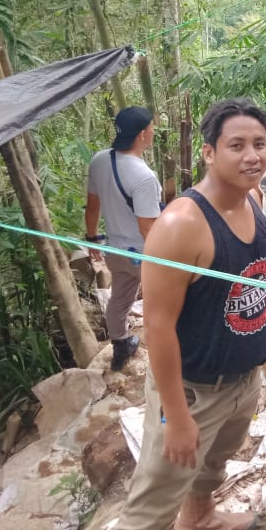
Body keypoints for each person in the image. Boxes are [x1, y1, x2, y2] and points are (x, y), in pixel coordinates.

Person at [108, 98, 266, 530]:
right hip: (193, 390)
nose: (252, 155)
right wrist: (175, 416)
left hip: (242, 378)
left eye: (259, 144)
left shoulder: (253, 201)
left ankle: (198, 521)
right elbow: (157, 326)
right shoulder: (180, 225)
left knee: (213, 463)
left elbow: (261, 277)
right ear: (209, 152)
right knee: (153, 501)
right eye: (237, 145)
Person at [85, 106, 162, 371]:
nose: (154, 132)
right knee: (162, 301)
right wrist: (166, 262)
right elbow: (148, 229)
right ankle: (167, 354)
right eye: (152, 128)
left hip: (114, 250)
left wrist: (92, 238)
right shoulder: (143, 177)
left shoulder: (99, 161)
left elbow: (92, 206)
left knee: (120, 298)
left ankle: (121, 345)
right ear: (142, 134)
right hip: (142, 253)